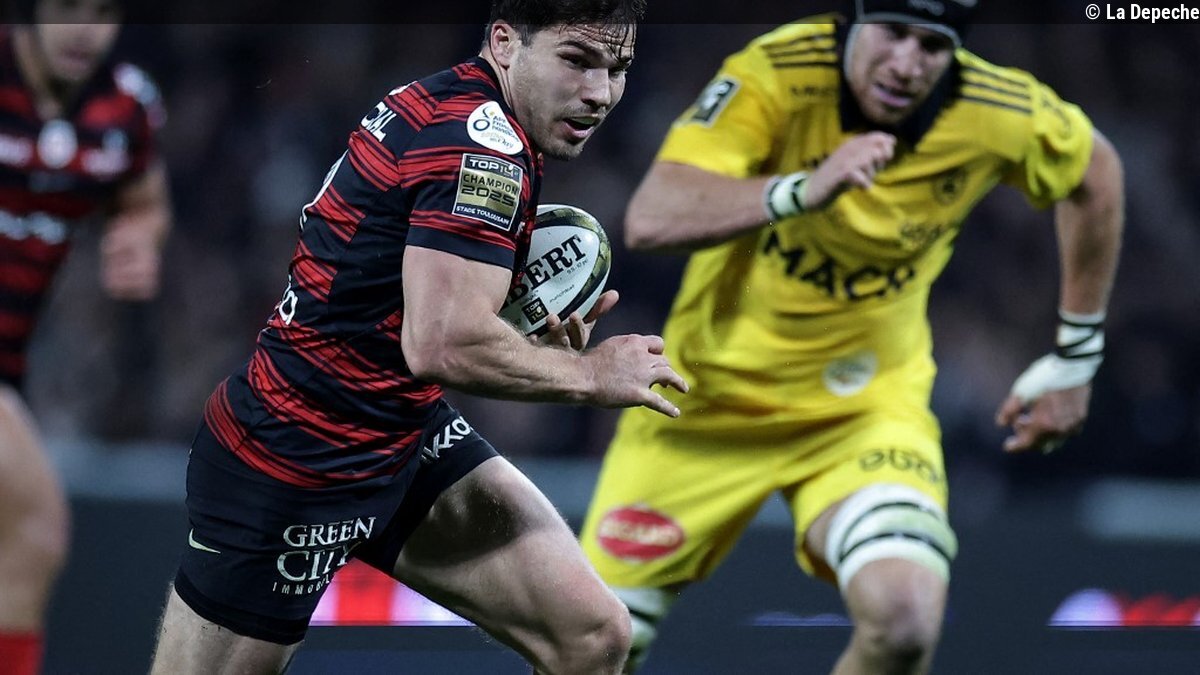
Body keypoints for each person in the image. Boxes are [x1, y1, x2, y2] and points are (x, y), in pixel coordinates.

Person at [580, 1, 1124, 672]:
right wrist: (800, 190)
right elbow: (652, 216)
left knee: (904, 619)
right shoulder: (777, 71)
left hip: (862, 413)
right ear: (851, 22)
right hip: (700, 405)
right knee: (589, 647)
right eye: (892, 33)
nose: (907, 63)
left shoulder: (997, 108)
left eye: (932, 45)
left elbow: (1096, 172)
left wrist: (1077, 356)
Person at [150, 2, 689, 673]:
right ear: (504, 43)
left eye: (617, 68)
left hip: (401, 432)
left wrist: (525, 349)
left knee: (592, 635)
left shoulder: (451, 103)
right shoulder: (485, 149)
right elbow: (441, 344)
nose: (600, 92)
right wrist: (591, 375)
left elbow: (412, 308)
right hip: (298, 456)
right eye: (577, 60)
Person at [0, 0, 171, 673]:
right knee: (35, 525)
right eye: (68, 7)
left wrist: (138, 238)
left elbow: (144, 201)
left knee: (28, 539)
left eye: (102, 11)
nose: (85, 30)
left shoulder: (127, 108)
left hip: (10, 365)